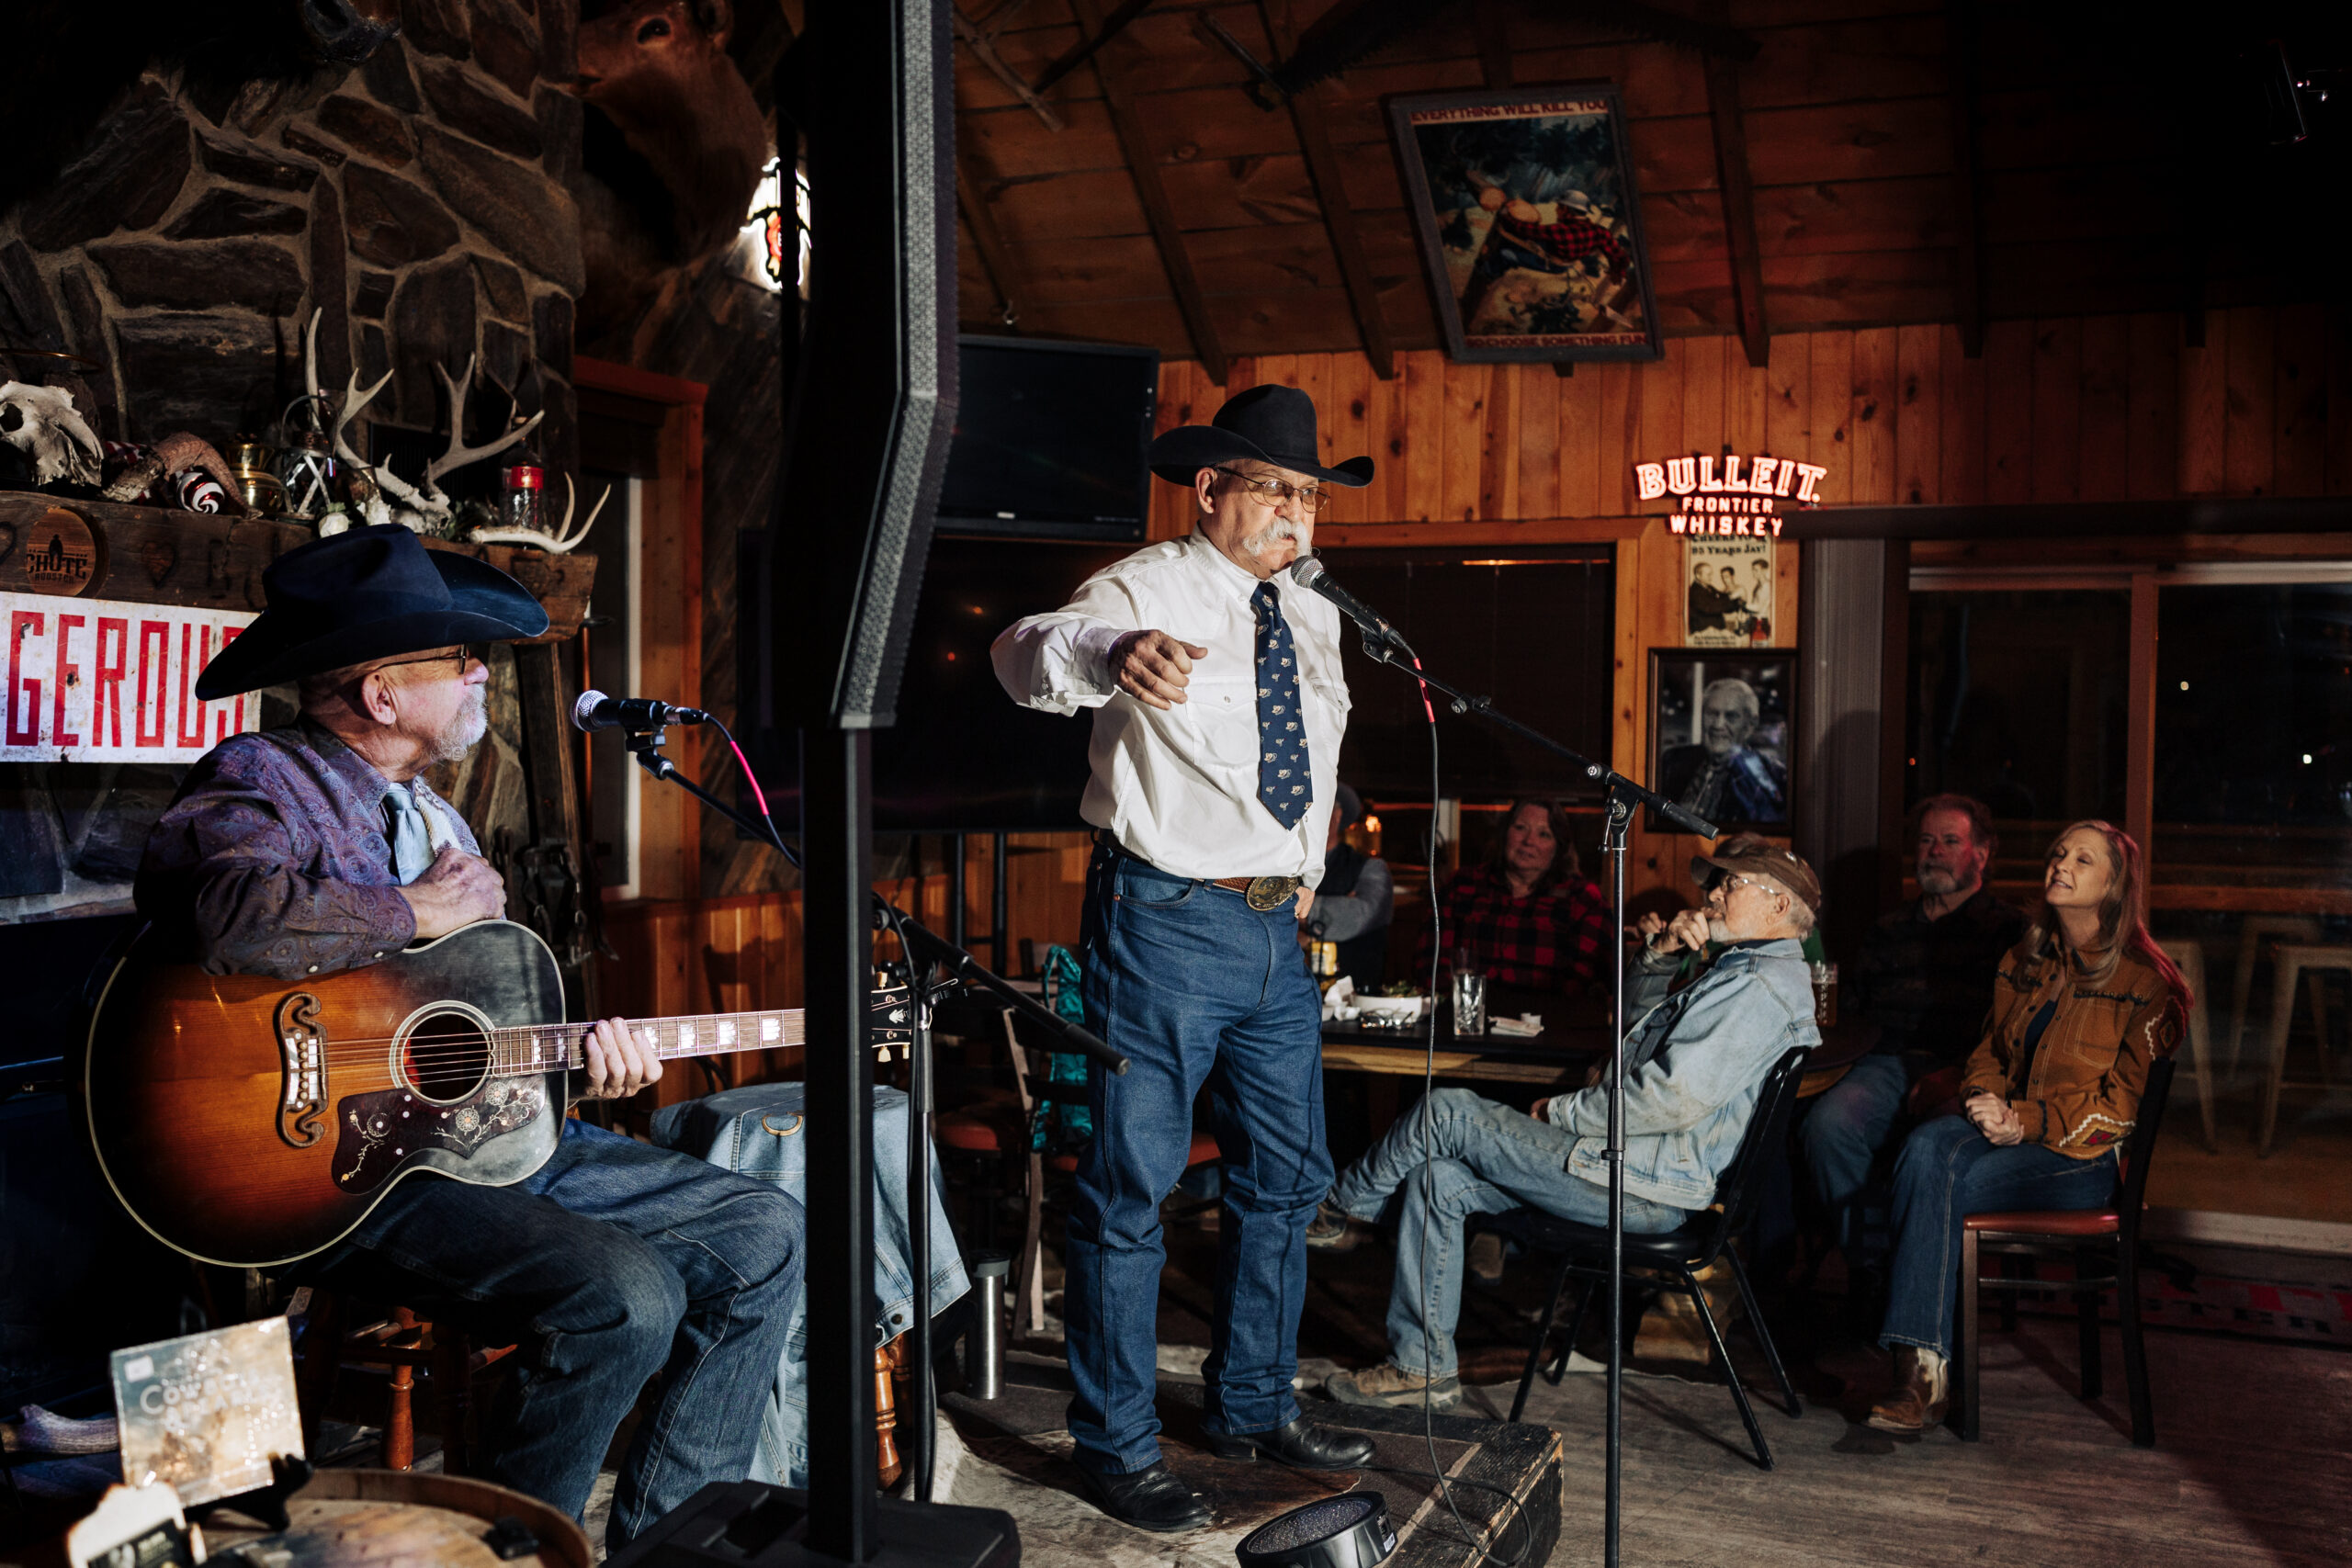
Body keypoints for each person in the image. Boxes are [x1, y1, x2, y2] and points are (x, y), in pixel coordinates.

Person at [136, 526, 804, 1551]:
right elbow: (225, 915)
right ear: (380, 694)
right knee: (626, 1295)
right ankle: (508, 1551)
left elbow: (471, 1042)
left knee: (767, 1231)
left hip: (475, 1137)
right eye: (456, 657)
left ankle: (665, 1546)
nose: (479, 672)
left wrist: (586, 1065)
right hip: (343, 1168)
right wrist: (413, 911)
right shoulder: (261, 773)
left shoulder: (437, 819)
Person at [990, 384, 1377, 1531]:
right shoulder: (1145, 585)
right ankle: (1115, 1444)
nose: (1298, 514)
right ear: (1209, 489)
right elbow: (1024, 653)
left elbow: (1308, 751)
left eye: (1310, 495)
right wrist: (1112, 649)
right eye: (1276, 489)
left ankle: (1252, 1403)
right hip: (1162, 919)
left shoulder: (1313, 614)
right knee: (1132, 1186)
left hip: (1274, 928)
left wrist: (1307, 869)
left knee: (1287, 1181)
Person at [1314, 837, 1823, 1408]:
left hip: (1647, 1188)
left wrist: (1562, 1111)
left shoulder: (1755, 988)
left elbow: (1669, 1098)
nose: (1711, 895)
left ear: (1779, 907)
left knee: (1447, 1111)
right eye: (1716, 882)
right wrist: (1659, 953)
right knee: (1439, 1178)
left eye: (1731, 884)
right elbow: (1627, 1038)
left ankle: (1337, 1210)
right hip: (1634, 1168)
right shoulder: (1740, 970)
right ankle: (1421, 1368)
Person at [1868, 820, 2188, 1433]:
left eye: (2083, 859)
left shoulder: (2147, 984)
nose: (2062, 863)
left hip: (2081, 1162)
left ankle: (1923, 1374)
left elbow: (2122, 1107)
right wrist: (1986, 1097)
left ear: (2115, 885)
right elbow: (1987, 1049)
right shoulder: (2024, 959)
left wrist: (2026, 1121)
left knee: (1937, 1169)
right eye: (2059, 852)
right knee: (1925, 1145)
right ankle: (1923, 1371)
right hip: (2005, 1134)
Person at [1800, 795, 2027, 1259]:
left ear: (1981, 854)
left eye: (1950, 841)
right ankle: (1880, 1267)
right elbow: (1857, 1013)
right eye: (1926, 840)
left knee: (1934, 1152)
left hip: (1968, 1073)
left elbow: (2016, 1031)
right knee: (1826, 1127)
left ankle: (1921, 1273)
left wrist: (1957, 1078)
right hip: (1885, 1065)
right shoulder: (1889, 927)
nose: (1935, 851)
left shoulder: (2010, 931)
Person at [1415, 796, 1609, 1002]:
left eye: (1544, 834)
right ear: (1505, 832)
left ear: (1558, 848)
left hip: (1548, 1020)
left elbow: (1586, 978)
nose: (1529, 841)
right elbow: (1430, 962)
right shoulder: (1463, 885)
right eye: (1520, 828)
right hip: (1466, 1016)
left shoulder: (1583, 899)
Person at [1656, 675, 1787, 824]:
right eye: (1712, 714)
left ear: (1750, 724)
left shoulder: (1770, 775)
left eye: (1731, 717)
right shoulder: (1673, 761)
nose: (1718, 725)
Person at [1307, 782, 1392, 991]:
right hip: (1290, 996)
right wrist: (1336, 905)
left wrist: (1292, 910)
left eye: (1317, 808)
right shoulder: (1285, 868)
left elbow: (1357, 916)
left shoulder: (1371, 869)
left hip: (1354, 996)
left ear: (1336, 817)